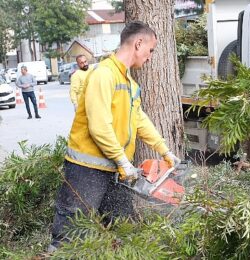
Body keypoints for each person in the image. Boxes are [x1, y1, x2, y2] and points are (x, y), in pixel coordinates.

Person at [48, 21, 181, 252]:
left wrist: (164, 150)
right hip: (86, 168)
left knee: (123, 227)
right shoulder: (104, 74)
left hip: (116, 168)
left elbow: (139, 119)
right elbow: (99, 125)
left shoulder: (129, 82)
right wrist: (122, 161)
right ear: (138, 43)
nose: (150, 57)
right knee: (72, 230)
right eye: (150, 50)